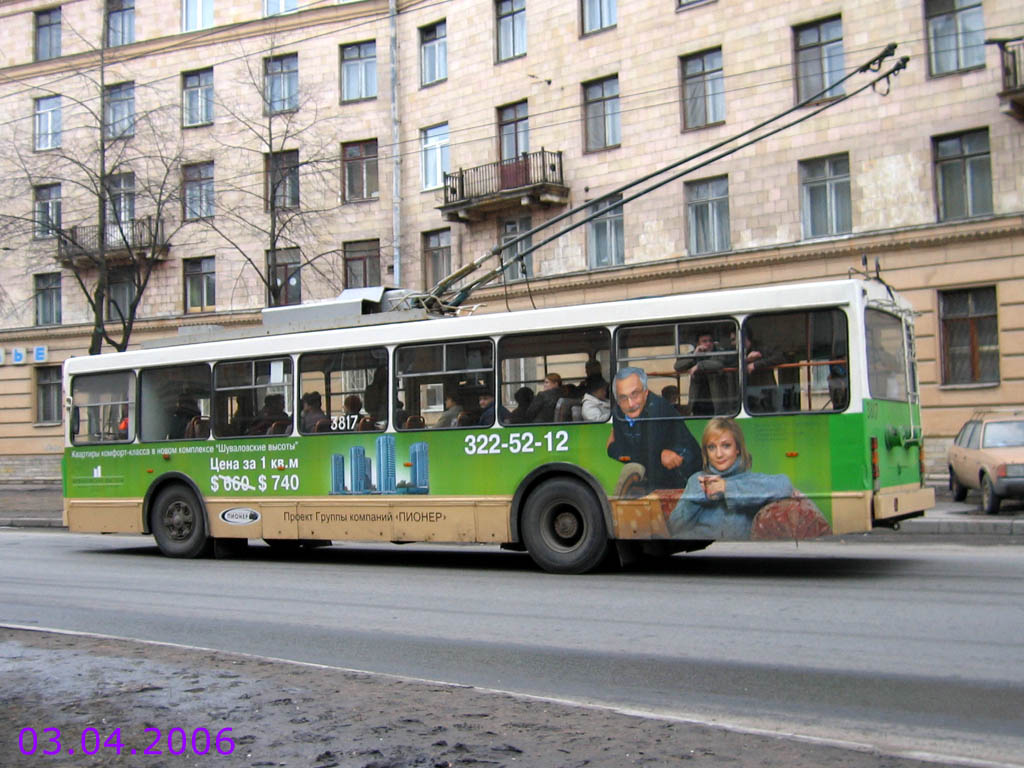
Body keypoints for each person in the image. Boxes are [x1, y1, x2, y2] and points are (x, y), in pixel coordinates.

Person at [667, 417, 795, 539]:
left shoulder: (749, 480)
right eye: (712, 447)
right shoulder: (696, 480)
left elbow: (785, 485)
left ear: (737, 448)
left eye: (726, 445)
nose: (719, 454)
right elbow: (674, 527)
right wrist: (698, 497)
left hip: (731, 553)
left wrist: (726, 488)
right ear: (706, 452)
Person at [606, 366, 701, 494]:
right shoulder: (619, 413)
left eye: (634, 394)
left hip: (684, 478)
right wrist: (615, 450)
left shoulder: (658, 409)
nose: (630, 404)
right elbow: (631, 454)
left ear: (646, 392)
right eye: (623, 397)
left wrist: (613, 448)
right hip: (655, 480)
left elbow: (647, 454)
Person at [673, 330, 729, 416]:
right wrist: (694, 356)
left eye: (710, 341)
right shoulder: (695, 354)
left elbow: (719, 364)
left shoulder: (719, 353)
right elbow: (677, 366)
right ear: (698, 344)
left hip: (715, 402)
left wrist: (699, 365)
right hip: (697, 401)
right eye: (704, 341)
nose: (708, 343)